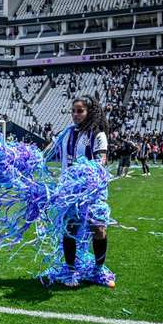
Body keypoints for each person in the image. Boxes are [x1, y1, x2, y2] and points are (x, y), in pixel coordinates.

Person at [55, 95, 113, 288]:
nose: (75, 114)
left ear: (90, 112)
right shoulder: (67, 134)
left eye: (80, 111)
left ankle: (98, 270)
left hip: (93, 192)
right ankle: (70, 271)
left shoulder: (98, 134)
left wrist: (85, 177)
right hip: (69, 192)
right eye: (73, 111)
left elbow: (100, 161)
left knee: (99, 229)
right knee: (70, 229)